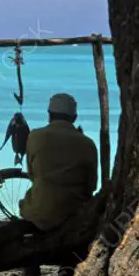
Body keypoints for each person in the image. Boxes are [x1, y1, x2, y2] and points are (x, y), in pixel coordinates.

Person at [18, 93, 98, 232]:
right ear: (74, 118)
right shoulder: (88, 144)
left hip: (38, 212)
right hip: (72, 214)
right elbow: (91, 186)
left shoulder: (35, 137)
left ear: (49, 114)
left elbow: (32, 174)